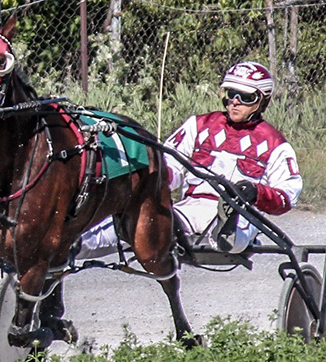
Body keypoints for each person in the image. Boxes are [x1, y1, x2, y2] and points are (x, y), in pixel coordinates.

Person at [76, 60, 302, 257]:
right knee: (135, 224)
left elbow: (288, 195)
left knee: (230, 234)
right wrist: (143, 181)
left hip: (242, 215)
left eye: (245, 97)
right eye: (230, 94)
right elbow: (168, 170)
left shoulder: (275, 143)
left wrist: (255, 192)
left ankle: (227, 221)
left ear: (262, 100)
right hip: (190, 208)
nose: (234, 101)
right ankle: (72, 245)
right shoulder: (198, 125)